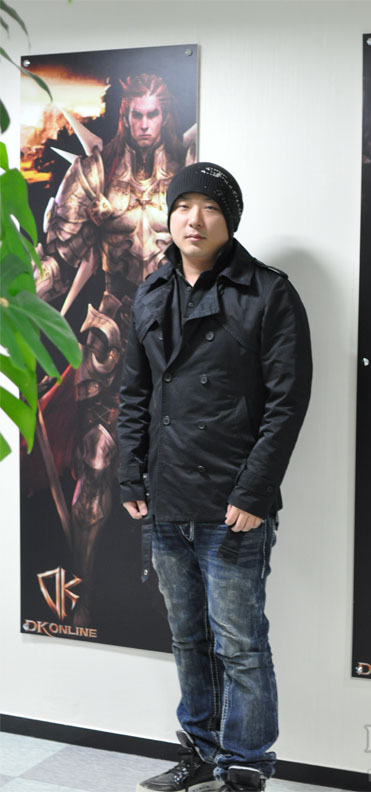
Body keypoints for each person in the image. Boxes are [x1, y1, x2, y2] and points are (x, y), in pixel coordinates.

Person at [117, 162, 312, 791]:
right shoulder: (150, 291)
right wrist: (130, 475)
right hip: (166, 499)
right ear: (169, 217)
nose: (193, 220)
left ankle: (246, 766)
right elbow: (134, 394)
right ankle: (200, 752)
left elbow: (287, 403)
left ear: (229, 220)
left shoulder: (269, 292)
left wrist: (255, 491)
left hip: (233, 503)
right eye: (182, 207)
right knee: (187, 638)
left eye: (209, 207)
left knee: (240, 643)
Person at [33, 74, 193, 625]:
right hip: (112, 330)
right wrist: (18, 302)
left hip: (177, 336)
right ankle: (80, 594)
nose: (144, 126)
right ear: (124, 116)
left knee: (176, 469)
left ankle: (171, 604)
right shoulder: (93, 173)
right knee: (96, 460)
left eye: (154, 114)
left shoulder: (190, 171)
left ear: (164, 116)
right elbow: (57, 259)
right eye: (136, 115)